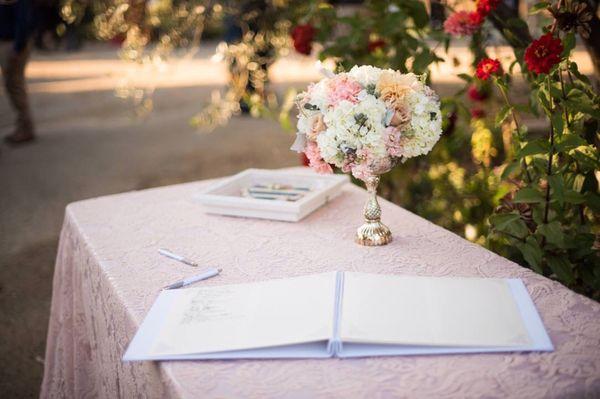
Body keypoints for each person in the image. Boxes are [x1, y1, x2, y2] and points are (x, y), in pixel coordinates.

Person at [0, 0, 36, 144]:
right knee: (13, 85)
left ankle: (25, 127)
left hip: (13, 44)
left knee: (14, 85)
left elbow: (23, 19)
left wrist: (17, 47)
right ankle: (24, 126)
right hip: (9, 42)